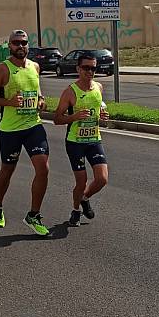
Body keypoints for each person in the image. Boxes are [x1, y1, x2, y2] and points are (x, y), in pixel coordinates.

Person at [0, 29, 50, 235]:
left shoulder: (35, 67)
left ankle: (33, 215)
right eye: (16, 43)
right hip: (10, 129)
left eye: (24, 43)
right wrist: (9, 102)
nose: (20, 46)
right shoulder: (3, 69)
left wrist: (41, 101)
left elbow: (38, 92)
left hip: (33, 125)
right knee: (7, 170)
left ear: (28, 45)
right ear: (9, 46)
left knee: (43, 168)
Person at [54, 54, 109, 227]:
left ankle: (85, 198)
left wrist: (103, 116)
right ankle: (76, 210)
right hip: (75, 142)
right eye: (86, 68)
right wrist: (75, 116)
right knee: (81, 181)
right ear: (78, 69)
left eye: (93, 68)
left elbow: (100, 107)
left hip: (94, 139)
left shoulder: (99, 87)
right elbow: (57, 118)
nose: (90, 71)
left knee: (102, 179)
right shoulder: (70, 91)